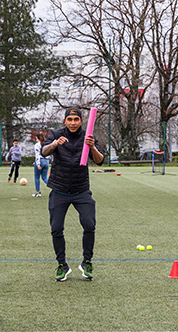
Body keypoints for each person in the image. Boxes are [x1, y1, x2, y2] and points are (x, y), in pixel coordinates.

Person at [41, 106, 104, 281]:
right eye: (70, 120)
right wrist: (54, 144)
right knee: (56, 229)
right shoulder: (56, 134)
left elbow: (99, 161)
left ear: (81, 121)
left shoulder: (88, 136)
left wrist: (92, 147)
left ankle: (87, 262)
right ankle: (62, 265)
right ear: (65, 121)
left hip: (81, 190)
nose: (73, 123)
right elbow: (44, 152)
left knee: (89, 225)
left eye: (76, 120)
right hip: (59, 189)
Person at [32, 131, 50, 197]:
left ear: (37, 138)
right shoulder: (46, 144)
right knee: (45, 177)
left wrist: (38, 164)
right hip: (46, 161)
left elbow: (37, 155)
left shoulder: (37, 145)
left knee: (37, 177)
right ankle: (55, 188)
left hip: (41, 161)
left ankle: (38, 192)